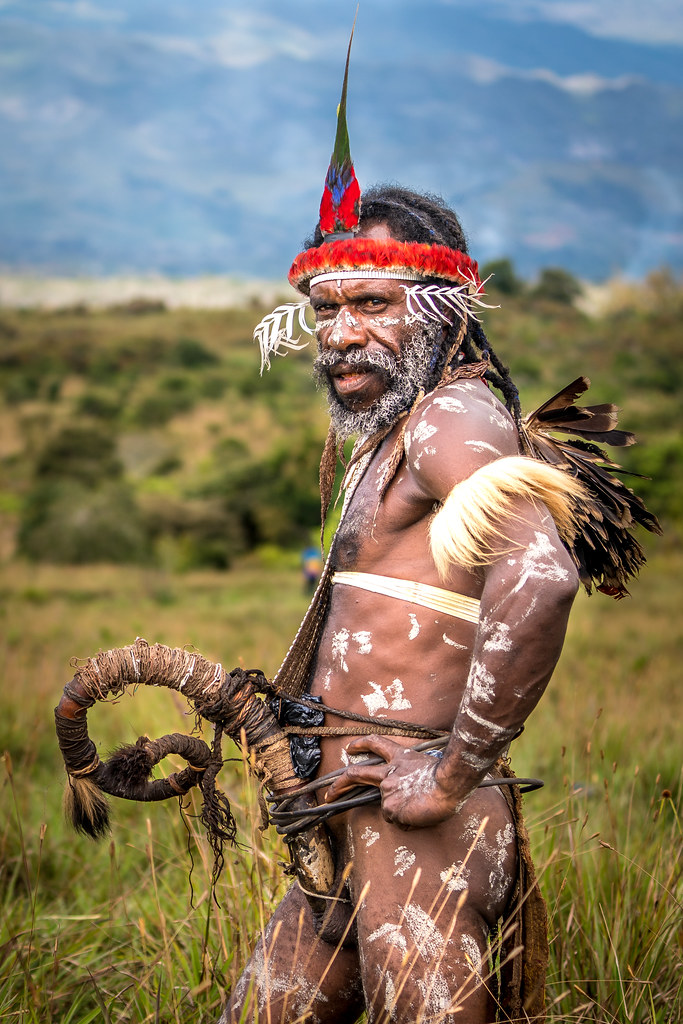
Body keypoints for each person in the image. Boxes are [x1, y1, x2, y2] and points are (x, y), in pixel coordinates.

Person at [222, 183, 590, 1023]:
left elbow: (540, 576)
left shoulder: (448, 419)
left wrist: (449, 774)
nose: (341, 333)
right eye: (327, 308)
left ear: (444, 309)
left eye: (373, 304)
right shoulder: (398, 428)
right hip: (350, 813)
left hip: (413, 825)